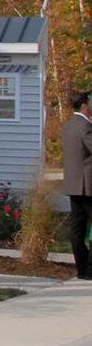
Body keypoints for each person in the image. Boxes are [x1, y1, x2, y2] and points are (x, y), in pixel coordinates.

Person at [65, 88, 92, 281]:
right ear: (84, 105)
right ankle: (89, 270)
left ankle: (82, 269)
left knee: (77, 229)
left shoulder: (68, 126)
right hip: (88, 186)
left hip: (73, 185)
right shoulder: (85, 127)